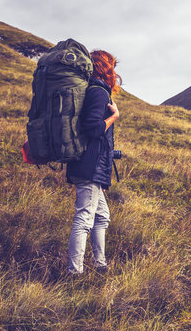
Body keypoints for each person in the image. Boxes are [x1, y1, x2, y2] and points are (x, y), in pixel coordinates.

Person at [66, 50, 121, 275]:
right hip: (89, 166)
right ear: (105, 68)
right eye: (112, 66)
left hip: (90, 166)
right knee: (84, 218)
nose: (115, 72)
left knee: (102, 216)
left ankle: (100, 265)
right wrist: (114, 117)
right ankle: (74, 273)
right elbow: (92, 127)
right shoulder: (98, 91)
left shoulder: (92, 90)